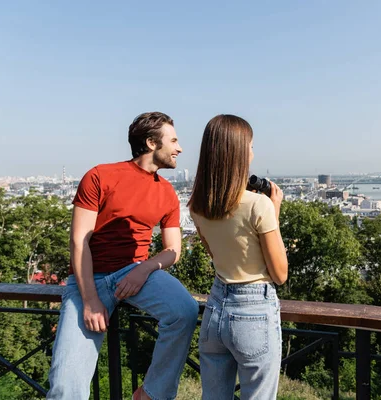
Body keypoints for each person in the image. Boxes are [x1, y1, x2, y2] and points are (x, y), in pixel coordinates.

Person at [47, 112, 200, 400]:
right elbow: (80, 240)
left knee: (184, 311)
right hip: (88, 279)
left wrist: (144, 269)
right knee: (66, 387)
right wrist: (91, 301)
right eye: (174, 141)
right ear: (152, 142)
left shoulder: (167, 193)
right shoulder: (101, 176)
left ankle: (152, 392)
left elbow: (173, 250)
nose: (180, 148)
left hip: (135, 273)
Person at [189, 114, 288, 400]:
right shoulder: (259, 205)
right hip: (254, 310)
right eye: (251, 146)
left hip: (216, 308)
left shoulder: (197, 205)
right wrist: (274, 210)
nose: (254, 153)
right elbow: (280, 274)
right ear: (240, 152)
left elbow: (214, 252)